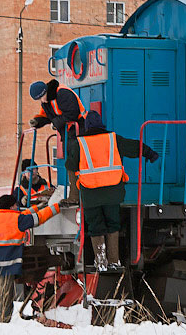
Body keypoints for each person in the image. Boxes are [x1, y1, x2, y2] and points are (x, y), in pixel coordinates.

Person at [65, 110, 159, 271]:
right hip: (112, 192)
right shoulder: (113, 139)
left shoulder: (79, 144)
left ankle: (100, 261)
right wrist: (149, 153)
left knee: (95, 225)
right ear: (102, 125)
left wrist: (73, 195)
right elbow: (133, 147)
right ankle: (114, 260)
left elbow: (70, 167)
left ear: (87, 127)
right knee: (113, 224)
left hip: (90, 194)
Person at [0, 195, 62, 323]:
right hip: (8, 264)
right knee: (6, 295)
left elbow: (23, 214)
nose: (17, 207)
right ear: (11, 206)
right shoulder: (17, 219)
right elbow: (37, 219)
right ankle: (2, 322)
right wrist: (55, 206)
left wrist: (37, 207)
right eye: (16, 205)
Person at [29, 79, 87, 199]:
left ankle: (76, 195)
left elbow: (72, 113)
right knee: (70, 163)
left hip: (80, 130)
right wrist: (37, 122)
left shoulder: (62, 93)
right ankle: (74, 193)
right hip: (68, 133)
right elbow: (46, 116)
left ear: (44, 92)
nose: (41, 101)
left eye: (40, 97)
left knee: (74, 163)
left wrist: (56, 123)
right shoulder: (47, 100)